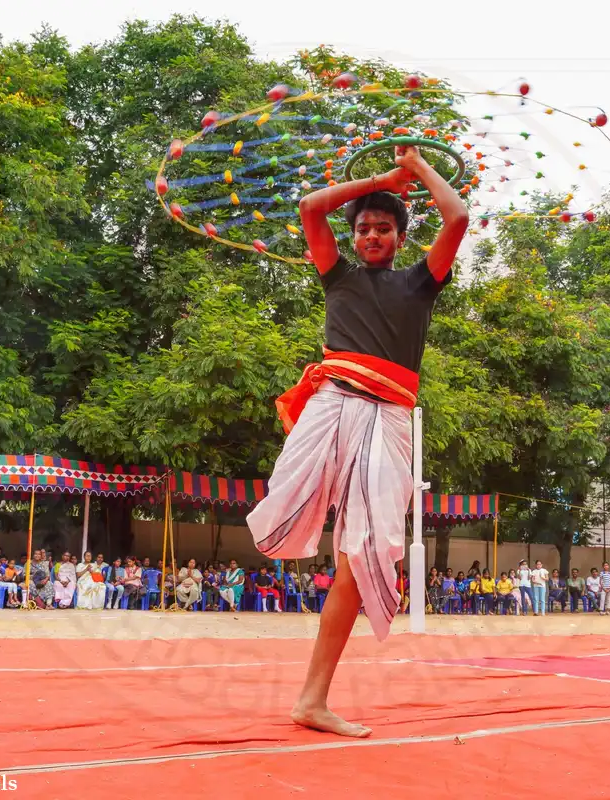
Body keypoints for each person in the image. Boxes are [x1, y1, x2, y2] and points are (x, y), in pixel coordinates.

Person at [245, 142, 466, 737]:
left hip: (389, 419)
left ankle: (311, 700)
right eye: (364, 227)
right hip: (331, 406)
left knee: (363, 553)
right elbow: (311, 209)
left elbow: (459, 216)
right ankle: (311, 693)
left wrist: (417, 170)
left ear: (399, 237)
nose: (372, 235)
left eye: (383, 228)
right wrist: (383, 176)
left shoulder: (422, 283)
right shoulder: (336, 274)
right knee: (285, 505)